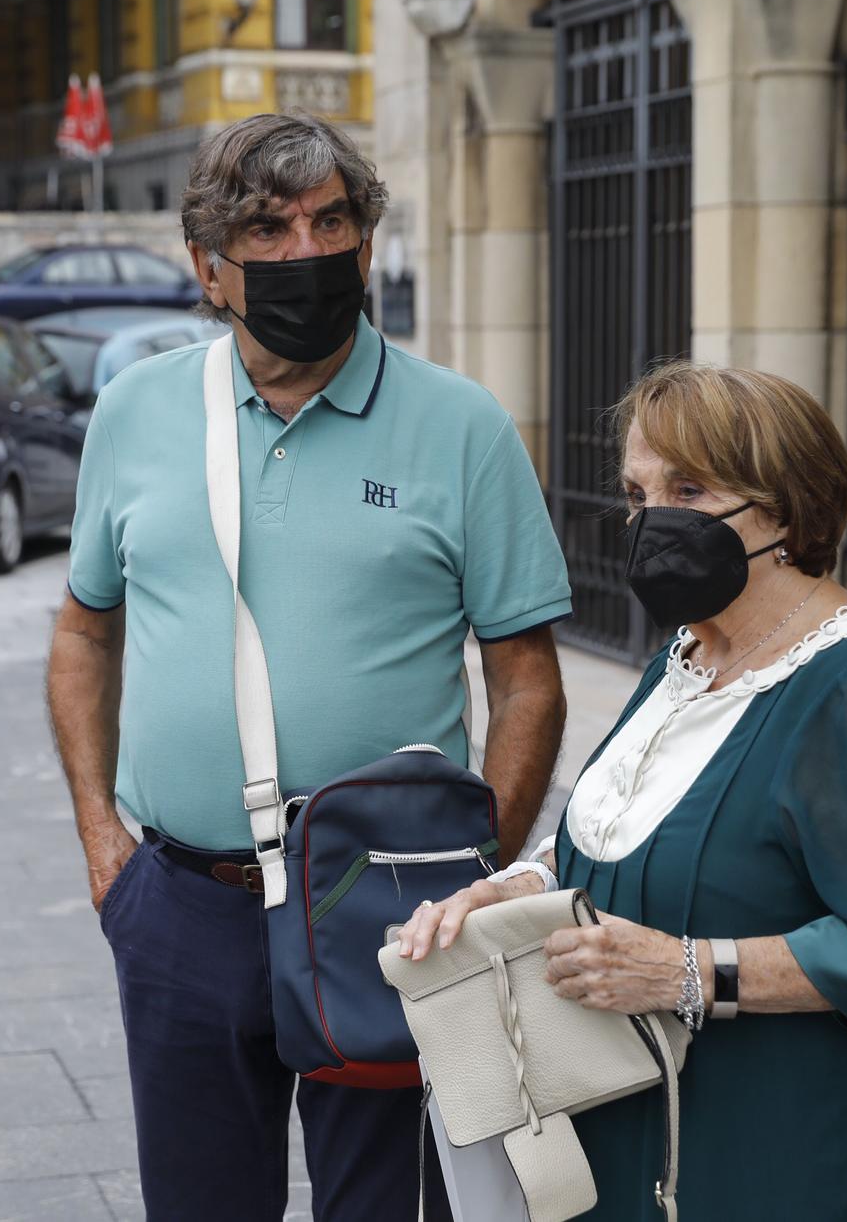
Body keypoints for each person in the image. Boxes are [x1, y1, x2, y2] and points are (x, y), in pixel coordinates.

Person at [47, 111, 572, 1220]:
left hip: (387, 905)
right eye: (267, 229)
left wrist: (475, 881)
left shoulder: (462, 426)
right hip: (184, 900)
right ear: (207, 269)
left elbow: (526, 679)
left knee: (386, 1208)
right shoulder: (139, 409)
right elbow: (83, 629)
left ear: (367, 241)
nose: (305, 254)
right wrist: (105, 846)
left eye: (330, 220)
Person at [395, 361, 847, 1221]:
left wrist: (681, 969)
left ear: (784, 505)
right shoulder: (685, 658)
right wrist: (517, 885)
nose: (651, 518)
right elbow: (622, 822)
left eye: (689, 488)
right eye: (637, 491)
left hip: (783, 1144)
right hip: (649, 1126)